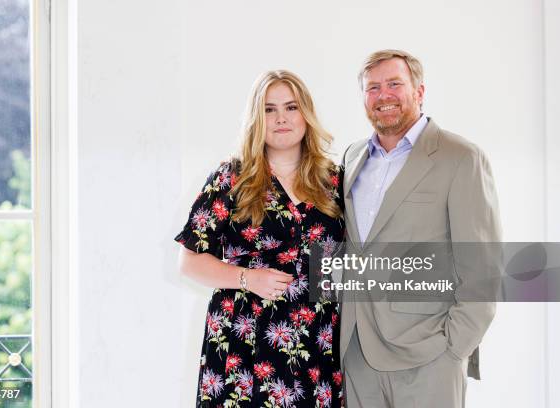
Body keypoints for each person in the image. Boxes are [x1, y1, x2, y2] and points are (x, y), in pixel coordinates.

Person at [340, 50, 502, 408]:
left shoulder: (460, 157)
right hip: (356, 352)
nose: (383, 95)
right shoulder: (352, 157)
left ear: (419, 91)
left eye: (394, 84)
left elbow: (483, 269)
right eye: (373, 88)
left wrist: (453, 349)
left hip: (428, 354)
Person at [175, 70, 345, 407]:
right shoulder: (231, 178)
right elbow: (189, 261)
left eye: (291, 107)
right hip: (245, 344)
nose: (281, 118)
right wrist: (247, 278)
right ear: (257, 118)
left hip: (317, 345)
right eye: (269, 109)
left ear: (306, 114)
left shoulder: (335, 181)